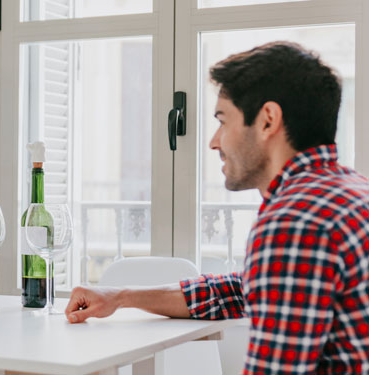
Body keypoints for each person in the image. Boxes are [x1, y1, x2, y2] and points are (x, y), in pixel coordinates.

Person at [66, 41, 369, 374]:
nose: (214, 141)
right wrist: (120, 296)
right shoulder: (350, 193)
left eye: (223, 121)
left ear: (268, 120)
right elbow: (246, 289)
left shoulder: (295, 222)